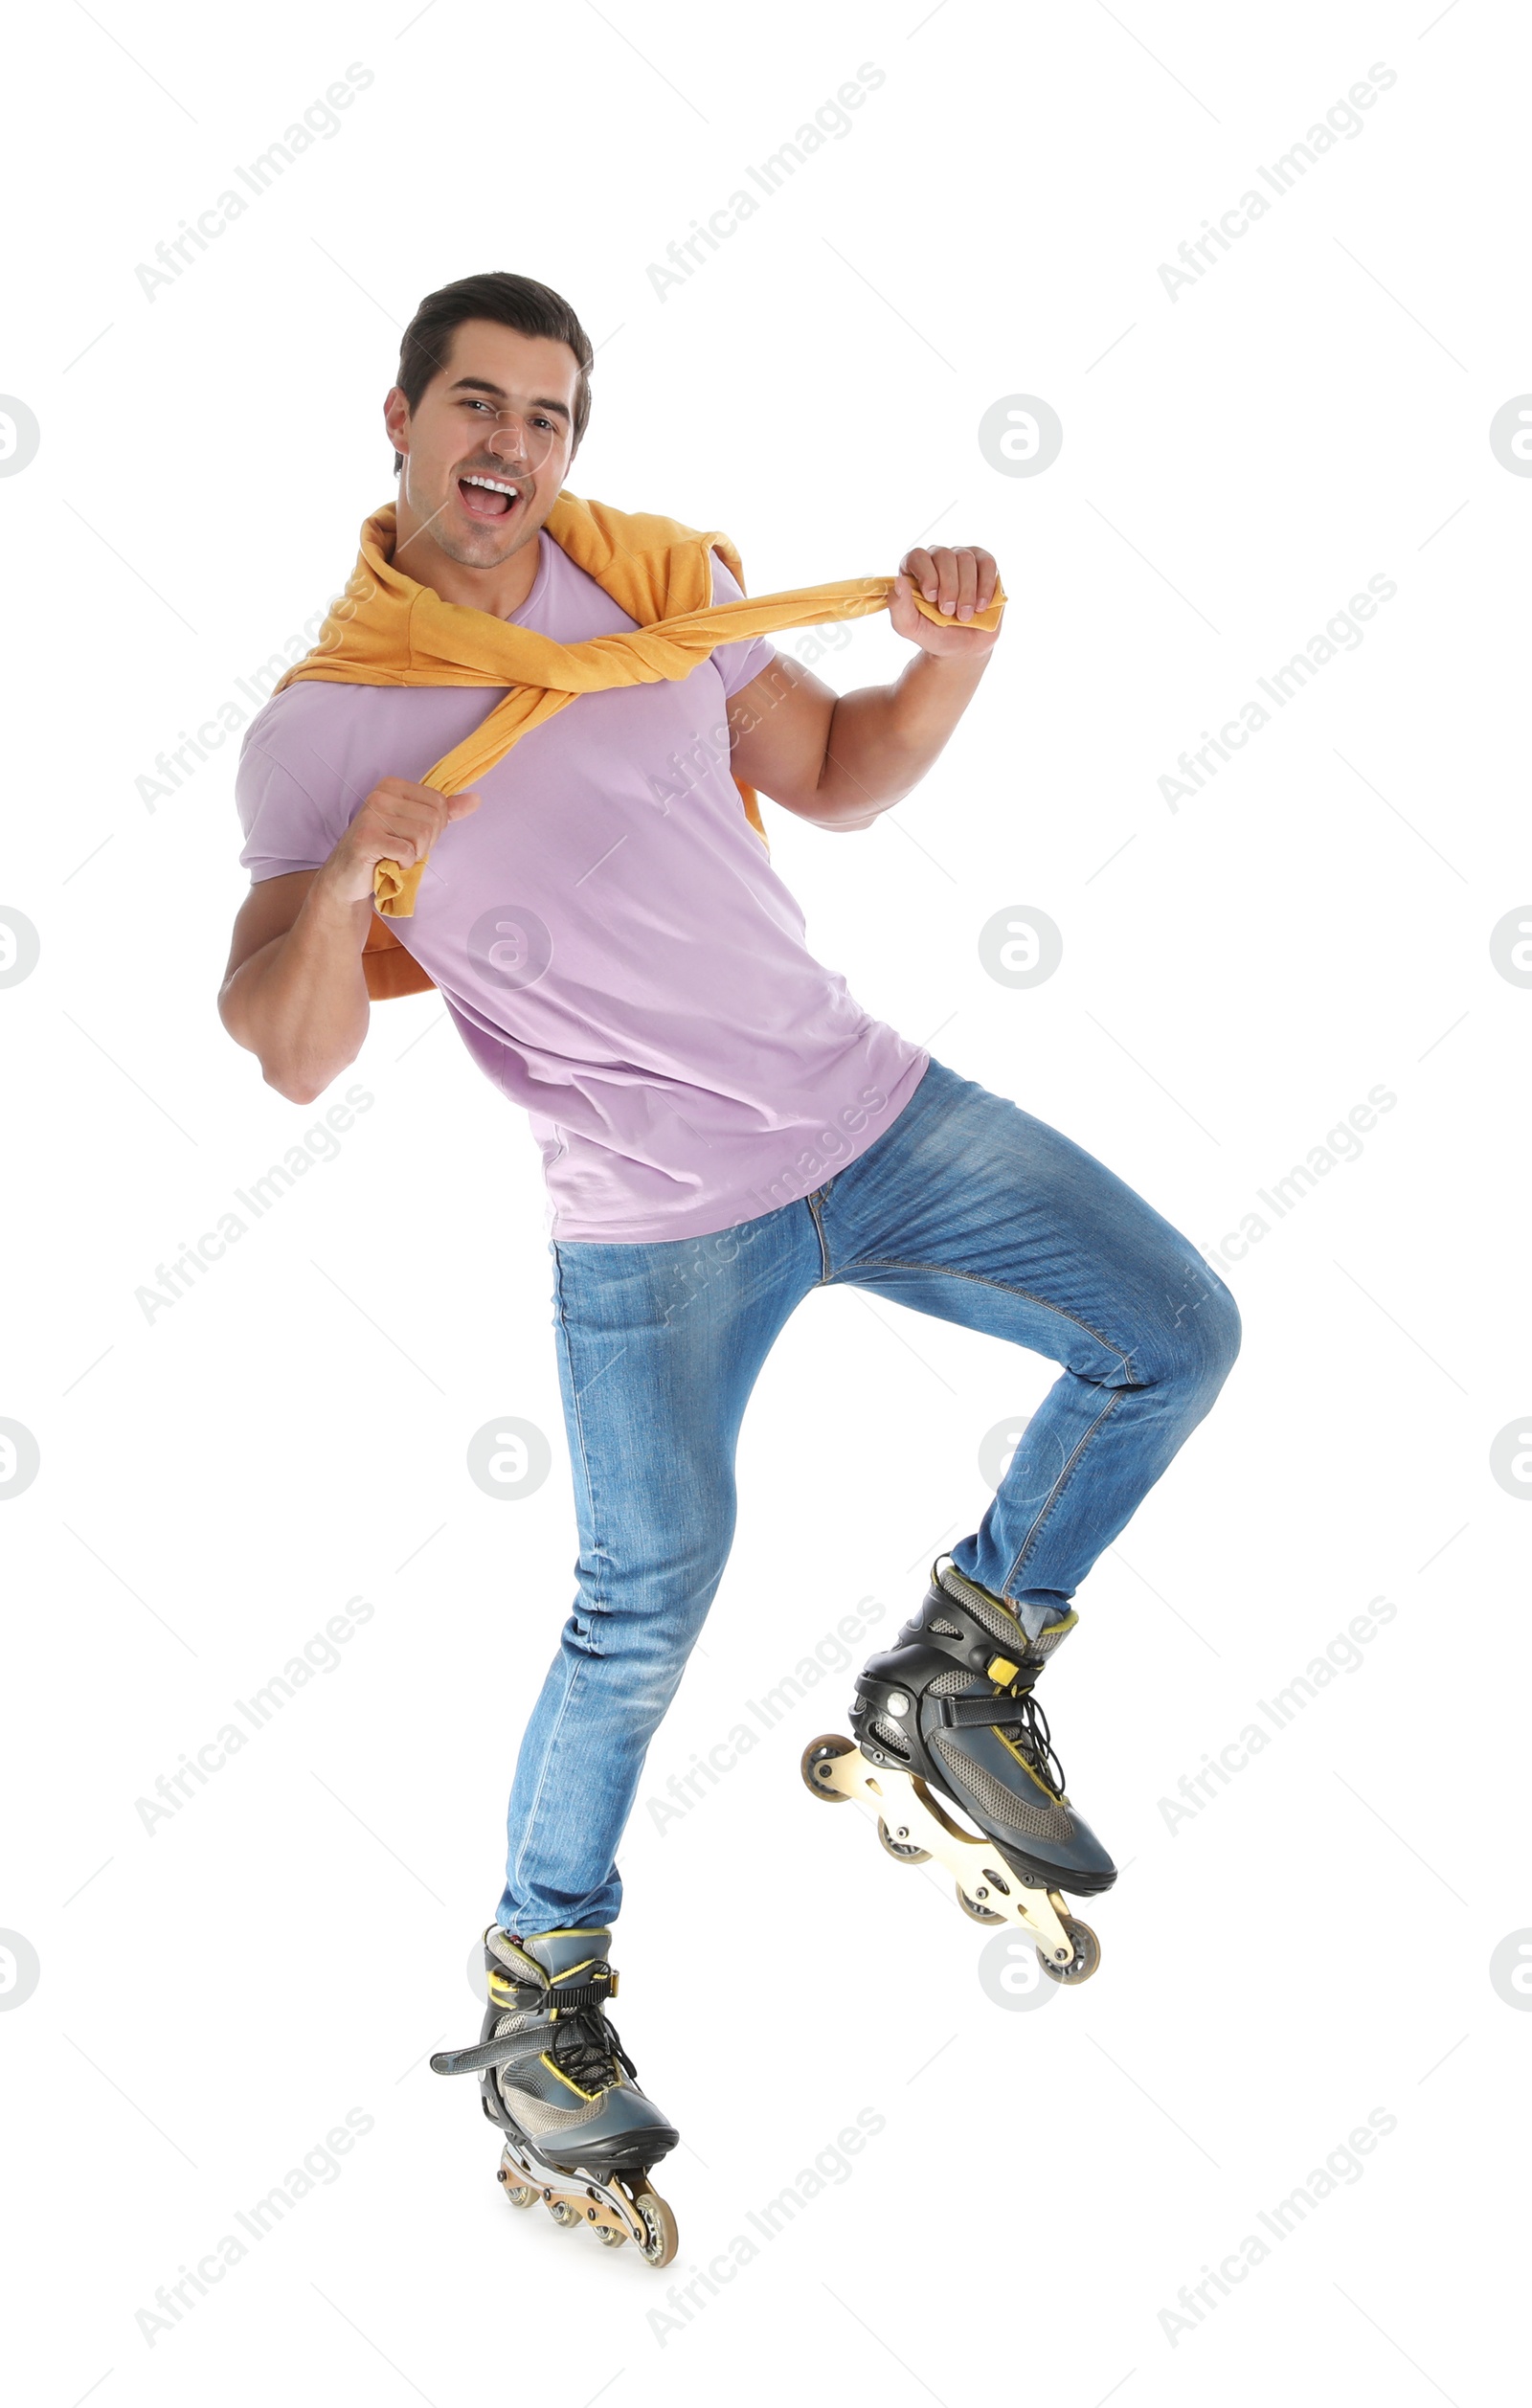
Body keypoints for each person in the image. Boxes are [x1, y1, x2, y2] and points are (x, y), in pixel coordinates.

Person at [218, 270, 1241, 2267]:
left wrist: (949, 659)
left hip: (862, 1110)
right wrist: (351, 874)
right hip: (648, 1215)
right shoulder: (324, 726)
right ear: (402, 421)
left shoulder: (661, 598)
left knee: (1172, 1329)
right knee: (636, 1613)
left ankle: (963, 1666)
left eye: (548, 415)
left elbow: (844, 770)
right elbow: (290, 1048)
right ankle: (537, 1997)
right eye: (477, 405)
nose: (511, 444)